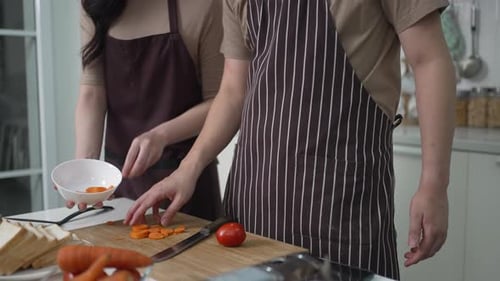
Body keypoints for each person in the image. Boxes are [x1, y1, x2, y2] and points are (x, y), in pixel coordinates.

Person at [125, 0, 456, 279]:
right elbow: (233, 90)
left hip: (340, 210)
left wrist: (433, 184)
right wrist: (189, 167)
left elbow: (430, 60)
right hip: (252, 208)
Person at [72, 0, 224, 222]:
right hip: (118, 186)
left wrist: (161, 135)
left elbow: (219, 101)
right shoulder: (95, 5)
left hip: (185, 185)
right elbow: (92, 92)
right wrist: (86, 168)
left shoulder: (204, 5)